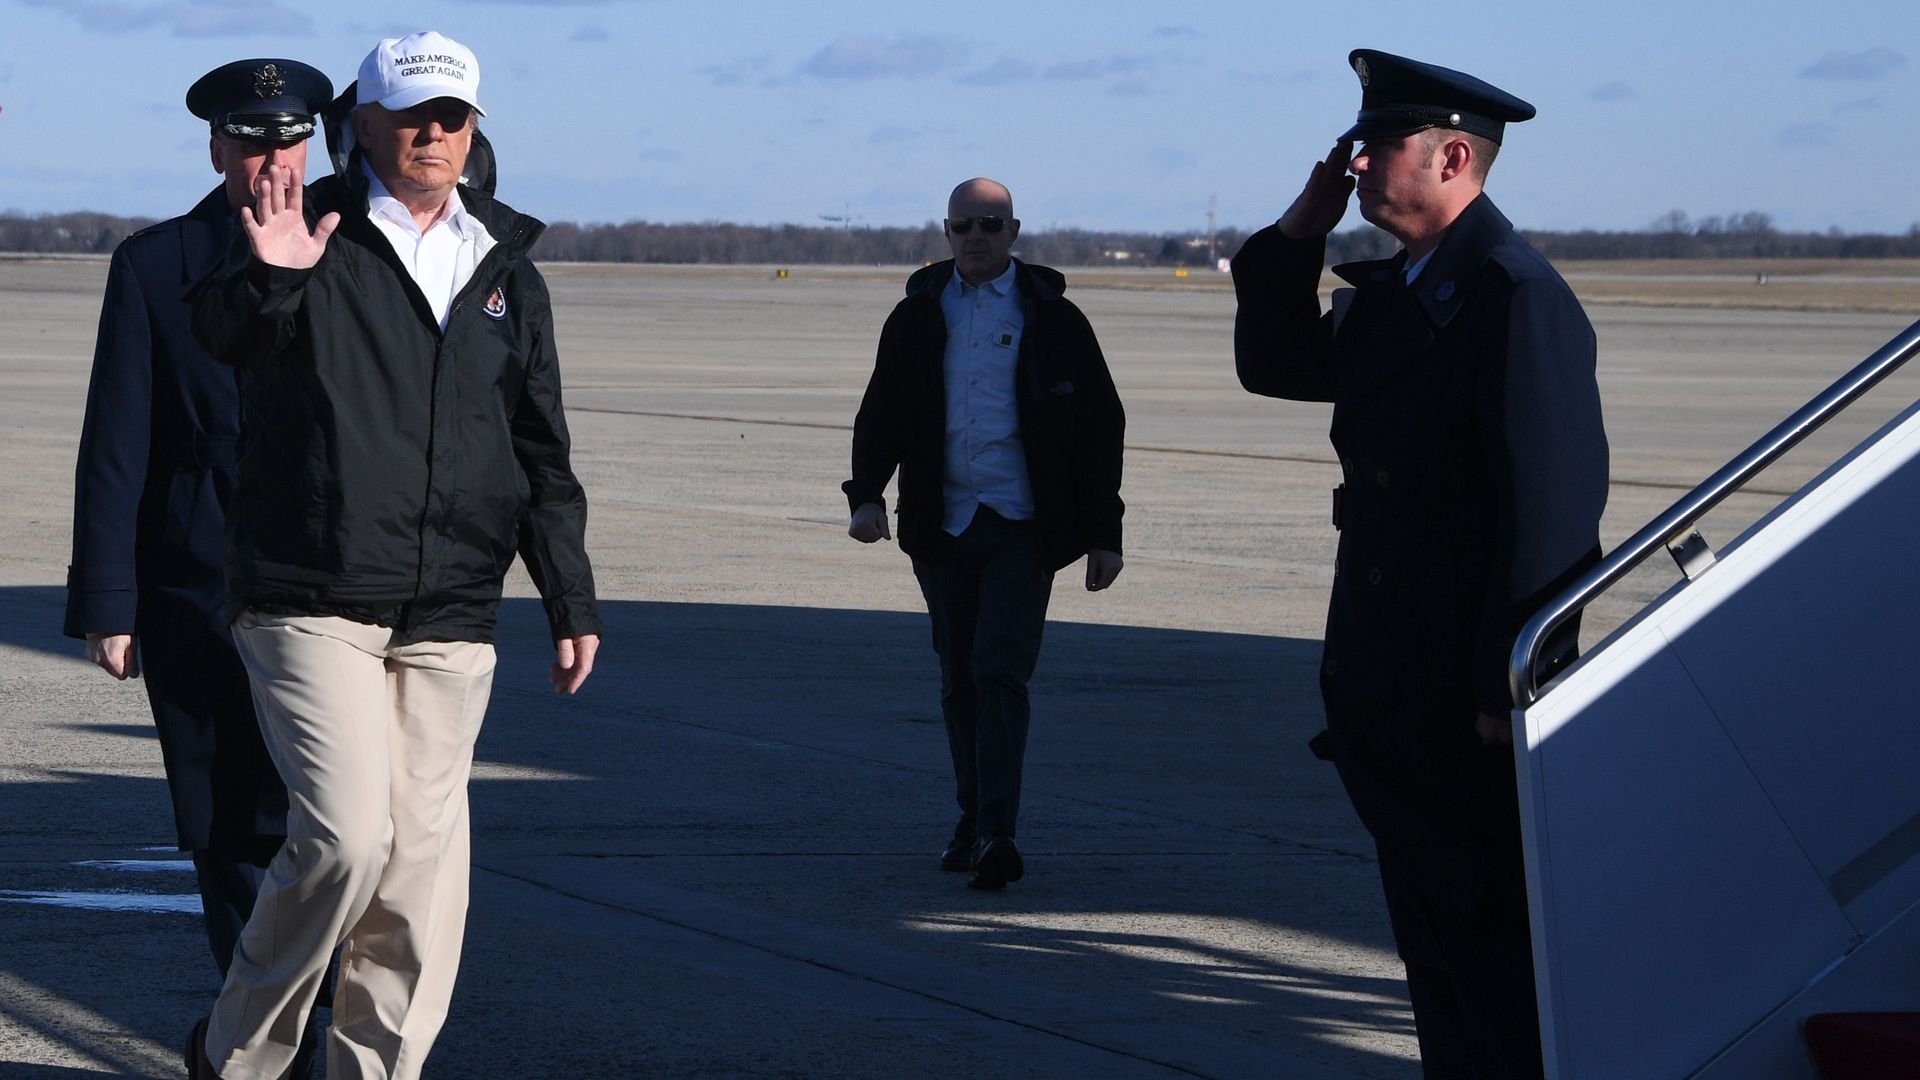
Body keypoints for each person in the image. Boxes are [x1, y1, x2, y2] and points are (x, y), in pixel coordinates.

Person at [185, 30, 603, 1079]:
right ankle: (237, 1052)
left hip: (453, 602)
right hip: (308, 590)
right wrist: (271, 278)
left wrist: (570, 596)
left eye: (452, 115)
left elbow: (540, 448)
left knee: (422, 872)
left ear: (474, 129)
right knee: (346, 839)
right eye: (412, 114)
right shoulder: (308, 230)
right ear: (361, 124)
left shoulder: (505, 267)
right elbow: (218, 335)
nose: (433, 133)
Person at [1231, 50, 1608, 1078]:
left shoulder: (1511, 297)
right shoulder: (1405, 292)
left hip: (1465, 701)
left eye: (1376, 146)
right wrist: (1296, 237)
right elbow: (1276, 365)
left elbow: (1555, 511)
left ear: (1451, 156)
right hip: (1396, 692)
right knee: (1437, 958)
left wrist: (1510, 675)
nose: (1354, 165)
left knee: (1492, 967)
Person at [63, 57, 335, 1080]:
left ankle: (274, 1049)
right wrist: (108, 600)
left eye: (289, 139)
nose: (272, 158)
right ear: (218, 149)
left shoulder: (355, 248)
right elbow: (117, 444)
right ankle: (269, 1052)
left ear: (311, 145)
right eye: (251, 140)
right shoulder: (154, 265)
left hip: (334, 588)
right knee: (229, 833)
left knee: (335, 834)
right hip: (198, 591)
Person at [845, 177, 1126, 891]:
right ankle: (972, 819)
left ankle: (1000, 830)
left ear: (1015, 231)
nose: (978, 236)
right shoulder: (916, 315)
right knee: (958, 677)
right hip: (941, 524)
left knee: (1000, 670)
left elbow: (1100, 425)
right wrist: (867, 495)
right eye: (966, 225)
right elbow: (883, 409)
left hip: (1022, 526)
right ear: (946, 231)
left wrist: (1104, 532)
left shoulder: (1055, 317)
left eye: (992, 225)